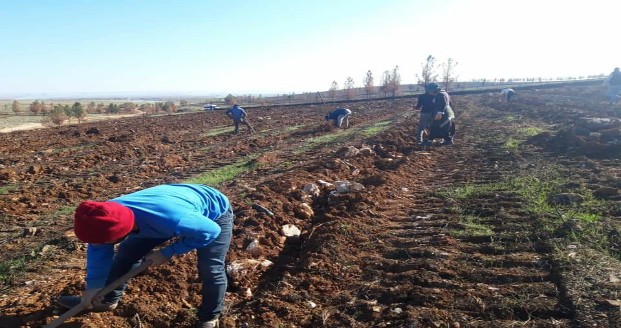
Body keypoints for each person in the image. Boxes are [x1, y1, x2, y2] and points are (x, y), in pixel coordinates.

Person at [56, 183, 233, 328]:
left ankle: (210, 316)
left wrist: (167, 252)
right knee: (127, 253)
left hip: (213, 214)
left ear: (123, 232)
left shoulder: (171, 219)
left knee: (210, 267)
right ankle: (108, 300)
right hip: (164, 212)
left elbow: (210, 231)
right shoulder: (102, 216)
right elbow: (98, 249)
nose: (98, 245)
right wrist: (93, 286)